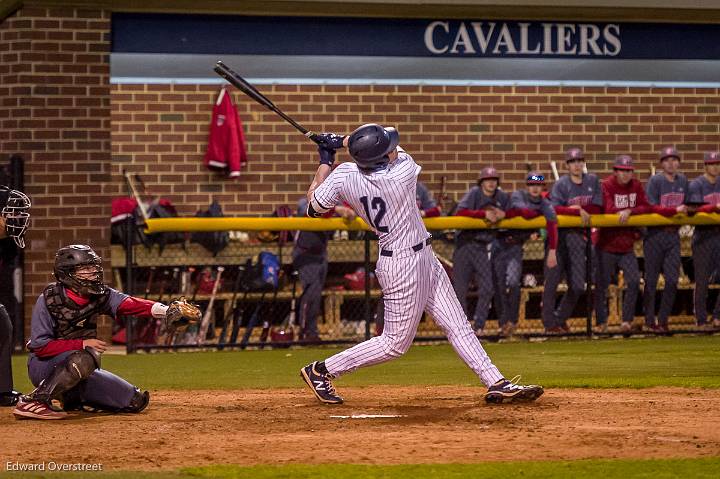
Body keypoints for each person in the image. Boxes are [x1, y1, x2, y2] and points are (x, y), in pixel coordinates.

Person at [298, 124, 543, 405]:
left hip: (422, 256)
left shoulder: (343, 176)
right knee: (394, 344)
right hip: (402, 264)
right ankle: (321, 370)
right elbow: (389, 145)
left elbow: (313, 206)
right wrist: (342, 139)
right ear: (379, 158)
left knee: (457, 324)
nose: (392, 149)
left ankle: (496, 382)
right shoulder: (402, 173)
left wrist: (326, 160)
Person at [13, 244, 200, 419]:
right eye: (85, 269)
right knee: (86, 356)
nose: (93, 273)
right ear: (67, 274)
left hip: (78, 367)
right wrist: (82, 344)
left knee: (134, 401)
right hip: (44, 367)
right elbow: (40, 347)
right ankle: (36, 400)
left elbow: (130, 304)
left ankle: (71, 398)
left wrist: (166, 310)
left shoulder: (100, 294)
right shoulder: (49, 299)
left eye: (93, 268)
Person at [542, 148, 602, 332]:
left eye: (579, 161)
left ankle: (560, 318)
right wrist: (575, 209)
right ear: (567, 165)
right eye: (573, 162)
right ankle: (549, 325)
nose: (576, 165)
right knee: (551, 282)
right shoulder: (561, 184)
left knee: (577, 285)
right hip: (559, 239)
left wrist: (581, 208)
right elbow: (552, 209)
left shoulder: (592, 181)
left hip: (579, 238)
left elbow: (599, 207)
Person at [495, 172, 558, 335]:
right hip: (497, 241)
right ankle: (503, 323)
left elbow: (552, 222)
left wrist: (552, 249)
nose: (535, 188)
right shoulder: (518, 195)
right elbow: (522, 211)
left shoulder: (544, 203)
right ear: (527, 186)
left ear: (542, 187)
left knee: (514, 283)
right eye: (531, 184)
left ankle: (512, 322)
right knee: (498, 285)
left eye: (538, 185)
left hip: (514, 244)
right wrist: (538, 214)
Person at [594, 155, 651, 333]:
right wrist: (626, 212)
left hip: (626, 246)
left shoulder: (636, 185)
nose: (626, 174)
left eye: (629, 171)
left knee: (634, 282)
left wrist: (630, 211)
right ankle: (601, 322)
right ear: (615, 171)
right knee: (602, 285)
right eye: (622, 171)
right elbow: (610, 210)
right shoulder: (606, 185)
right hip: (606, 245)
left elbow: (646, 206)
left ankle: (626, 321)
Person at [452, 167, 509, 334]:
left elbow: (514, 211)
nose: (491, 182)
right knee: (460, 289)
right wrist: (483, 214)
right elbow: (460, 212)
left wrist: (503, 213)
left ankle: (478, 326)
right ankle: (461, 328)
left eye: (494, 180)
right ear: (481, 182)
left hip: (482, 246)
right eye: (487, 180)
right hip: (464, 244)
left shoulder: (501, 197)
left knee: (487, 287)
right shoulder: (475, 193)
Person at [292, 197, 355, 341]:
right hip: (305, 253)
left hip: (321, 253)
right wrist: (336, 210)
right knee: (311, 293)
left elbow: (350, 212)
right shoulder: (305, 201)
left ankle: (312, 332)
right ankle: (305, 332)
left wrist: (348, 212)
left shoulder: (335, 202)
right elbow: (305, 209)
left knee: (316, 294)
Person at [643, 146, 689, 333]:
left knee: (672, 280)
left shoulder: (683, 181)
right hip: (655, 235)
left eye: (674, 159)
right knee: (651, 281)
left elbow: (690, 203)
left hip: (673, 235)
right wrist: (674, 211)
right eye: (667, 160)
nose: (671, 163)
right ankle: (648, 320)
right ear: (662, 163)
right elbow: (651, 207)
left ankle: (663, 320)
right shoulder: (656, 181)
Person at [0, 185, 31, 407]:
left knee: (2, 323)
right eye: (9, 213)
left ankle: (1, 391)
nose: (17, 218)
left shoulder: (8, 244)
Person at [687, 151, 720, 330]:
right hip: (703, 236)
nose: (715, 167)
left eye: (717, 163)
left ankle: (717, 317)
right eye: (712, 163)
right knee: (702, 280)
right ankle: (700, 320)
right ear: (705, 166)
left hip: (719, 235)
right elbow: (693, 210)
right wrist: (714, 207)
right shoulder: (697, 184)